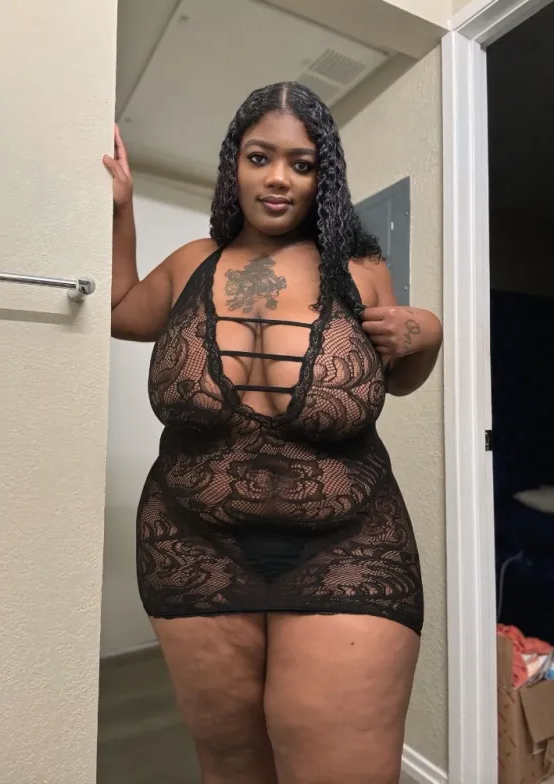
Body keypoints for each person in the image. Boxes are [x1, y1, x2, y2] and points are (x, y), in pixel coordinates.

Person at [103, 81, 442, 784]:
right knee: (233, 766)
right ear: (235, 164)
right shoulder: (190, 262)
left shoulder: (361, 271)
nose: (279, 177)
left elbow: (398, 379)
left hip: (351, 547)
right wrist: (121, 209)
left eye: (301, 163)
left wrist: (427, 333)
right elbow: (116, 311)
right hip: (191, 548)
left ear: (324, 178)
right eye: (260, 157)